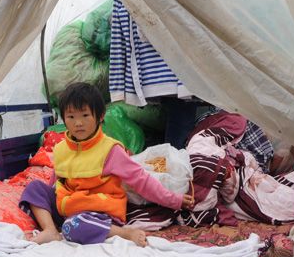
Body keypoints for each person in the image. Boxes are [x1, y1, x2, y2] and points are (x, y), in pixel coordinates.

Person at [20, 82, 194, 247]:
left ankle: (124, 233)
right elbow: (57, 180)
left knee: (74, 226)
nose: (78, 123)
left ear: (100, 116)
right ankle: (50, 230)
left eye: (85, 115)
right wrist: (51, 198)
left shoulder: (110, 149)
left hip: (99, 212)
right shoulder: (61, 148)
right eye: (71, 116)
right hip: (68, 207)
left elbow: (141, 180)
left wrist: (174, 200)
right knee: (34, 188)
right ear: (64, 119)